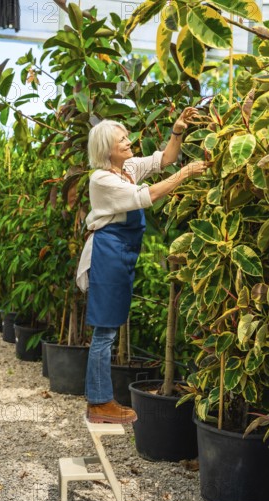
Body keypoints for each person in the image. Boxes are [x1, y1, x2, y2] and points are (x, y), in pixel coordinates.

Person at [76, 108, 207, 424]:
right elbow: (147, 195)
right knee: (105, 332)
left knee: (110, 327)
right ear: (107, 149)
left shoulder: (128, 167)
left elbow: (164, 160)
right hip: (106, 255)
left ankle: (101, 400)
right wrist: (185, 174)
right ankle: (99, 402)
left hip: (119, 256)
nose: (129, 141)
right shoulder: (102, 179)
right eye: (122, 139)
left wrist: (177, 132)